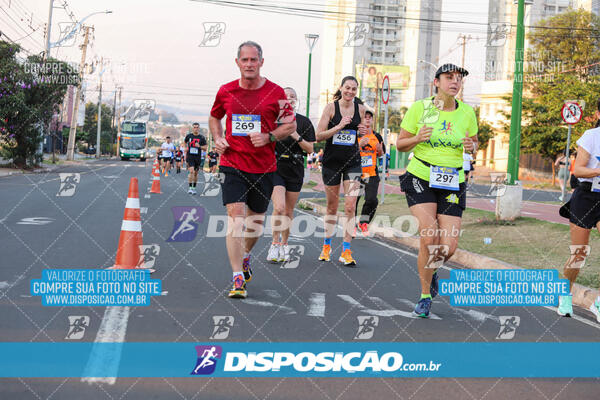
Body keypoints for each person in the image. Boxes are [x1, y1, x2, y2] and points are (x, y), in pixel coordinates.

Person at [209, 41, 296, 298]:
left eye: (253, 60)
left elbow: (289, 125)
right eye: (244, 60)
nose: (249, 64)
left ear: (261, 62)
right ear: (237, 62)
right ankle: (237, 277)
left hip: (263, 167)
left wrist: (269, 136)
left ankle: (246, 256)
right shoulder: (226, 91)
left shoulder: (276, 92)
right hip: (232, 163)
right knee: (236, 219)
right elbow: (215, 116)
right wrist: (217, 137)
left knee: (255, 223)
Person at [396, 63, 478, 318]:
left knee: (450, 245)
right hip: (421, 175)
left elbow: (475, 143)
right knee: (429, 236)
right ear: (436, 82)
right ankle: (424, 296)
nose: (455, 82)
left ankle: (431, 270)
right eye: (449, 77)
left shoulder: (467, 113)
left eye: (458, 78)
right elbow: (400, 145)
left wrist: (471, 147)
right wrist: (417, 138)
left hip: (452, 180)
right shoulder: (420, 108)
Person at [315, 76, 367, 266]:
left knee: (350, 206)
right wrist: (338, 126)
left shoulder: (360, 109)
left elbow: (362, 133)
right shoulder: (331, 108)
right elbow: (318, 135)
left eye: (354, 89)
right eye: (347, 88)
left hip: (353, 162)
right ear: (341, 88)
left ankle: (346, 250)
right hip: (332, 163)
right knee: (332, 207)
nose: (350, 92)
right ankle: (327, 245)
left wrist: (362, 132)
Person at [557, 99, 600, 321]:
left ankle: (599, 303)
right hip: (586, 195)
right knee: (579, 254)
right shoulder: (591, 137)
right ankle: (565, 295)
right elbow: (579, 171)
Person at [267, 87, 315, 262]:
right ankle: (274, 244)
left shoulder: (303, 122)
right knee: (278, 207)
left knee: (288, 211)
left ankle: (285, 244)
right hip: (276, 167)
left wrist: (296, 136)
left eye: (293, 97)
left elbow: (310, 149)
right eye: (286, 96)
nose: (290, 99)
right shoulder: (272, 120)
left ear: (296, 101)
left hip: (295, 168)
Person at [355, 109, 384, 236]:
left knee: (372, 200)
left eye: (369, 117)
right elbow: (348, 153)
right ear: (361, 120)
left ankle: (364, 222)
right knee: (353, 201)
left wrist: (380, 150)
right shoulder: (355, 135)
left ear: (372, 120)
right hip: (355, 172)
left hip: (371, 172)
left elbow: (381, 154)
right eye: (365, 117)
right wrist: (359, 145)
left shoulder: (377, 136)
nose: (367, 119)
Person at [184, 123, 208, 194]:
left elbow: (205, 148)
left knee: (195, 174)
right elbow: (184, 142)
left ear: (199, 128)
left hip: (197, 157)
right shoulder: (189, 136)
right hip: (190, 156)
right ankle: (190, 188)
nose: (196, 129)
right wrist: (185, 147)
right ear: (192, 128)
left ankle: (194, 188)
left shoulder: (202, 137)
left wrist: (199, 146)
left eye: (197, 127)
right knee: (191, 171)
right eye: (194, 127)